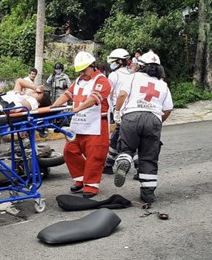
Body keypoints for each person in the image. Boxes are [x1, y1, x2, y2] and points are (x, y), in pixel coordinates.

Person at [46, 51, 111, 198]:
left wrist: (76, 109)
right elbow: (67, 94)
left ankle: (91, 185)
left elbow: (94, 98)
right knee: (70, 151)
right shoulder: (79, 80)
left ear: (92, 66)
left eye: (84, 70)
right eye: (80, 71)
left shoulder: (102, 81)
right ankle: (81, 178)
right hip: (78, 123)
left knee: (95, 155)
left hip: (96, 124)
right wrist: (54, 107)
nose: (82, 73)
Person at [112, 51, 173, 205]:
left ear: (141, 66)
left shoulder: (132, 77)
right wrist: (158, 121)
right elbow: (167, 110)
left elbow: (121, 96)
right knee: (149, 157)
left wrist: (117, 113)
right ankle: (148, 194)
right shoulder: (163, 85)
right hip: (153, 119)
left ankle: (125, 159)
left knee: (126, 147)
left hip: (132, 116)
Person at [103, 48, 134, 175]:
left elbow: (108, 94)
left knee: (116, 138)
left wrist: (113, 111)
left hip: (118, 109)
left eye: (113, 61)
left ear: (119, 62)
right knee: (131, 138)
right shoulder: (132, 74)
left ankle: (109, 164)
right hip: (130, 110)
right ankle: (139, 166)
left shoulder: (114, 75)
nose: (111, 64)